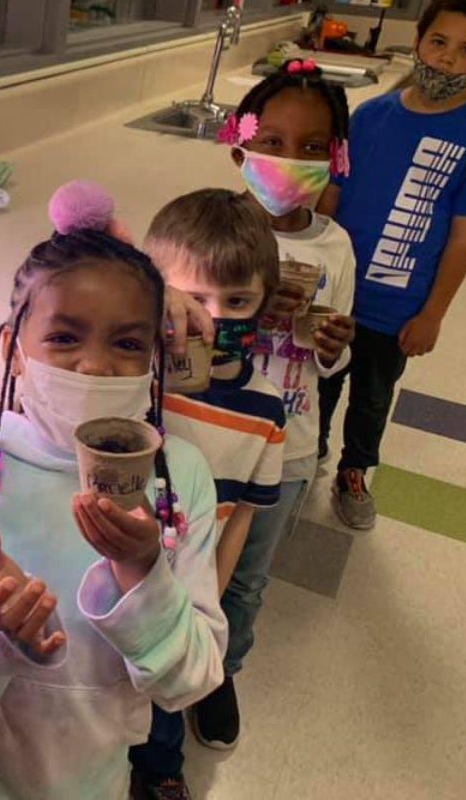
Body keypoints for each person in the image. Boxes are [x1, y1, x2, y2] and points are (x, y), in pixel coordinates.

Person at [0, 182, 226, 800]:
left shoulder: (180, 477)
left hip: (89, 779)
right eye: (66, 338)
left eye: (128, 344)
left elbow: (192, 678)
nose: (94, 366)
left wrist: (142, 572)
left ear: (155, 358)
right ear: (13, 351)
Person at [188, 62, 357, 751]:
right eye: (274, 141)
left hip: (286, 446)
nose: (292, 159)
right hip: (203, 435)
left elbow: (332, 359)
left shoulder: (335, 245)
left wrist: (331, 344)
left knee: (247, 579)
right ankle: (170, 660)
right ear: (241, 148)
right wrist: (250, 312)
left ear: (335, 157)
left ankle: (220, 672)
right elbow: (177, 334)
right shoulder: (210, 236)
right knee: (185, 560)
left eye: (313, 146)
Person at [316, 0, 466, 529]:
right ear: (419, 41)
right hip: (338, 291)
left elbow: (463, 238)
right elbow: (332, 193)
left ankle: (354, 470)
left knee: (372, 398)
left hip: (397, 308)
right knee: (319, 380)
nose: (448, 59)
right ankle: (310, 449)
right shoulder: (370, 115)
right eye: (439, 42)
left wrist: (432, 315)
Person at [131, 188, 286, 799]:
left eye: (238, 301)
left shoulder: (266, 410)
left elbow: (243, 515)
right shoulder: (135, 373)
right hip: (115, 566)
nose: (214, 319)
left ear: (266, 302)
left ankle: (162, 771)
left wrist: (208, 604)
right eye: (193, 300)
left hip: (188, 583)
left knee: (166, 701)